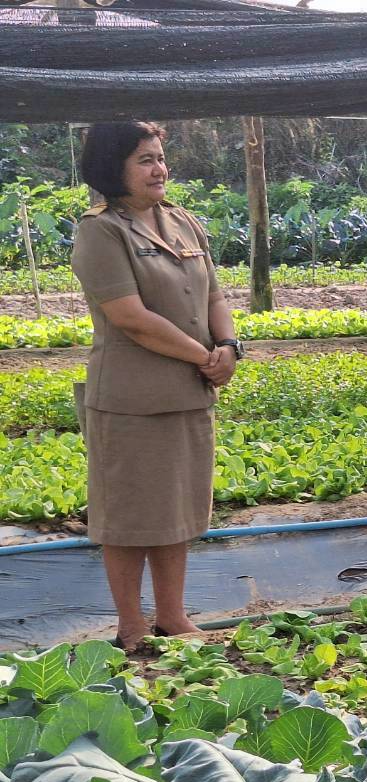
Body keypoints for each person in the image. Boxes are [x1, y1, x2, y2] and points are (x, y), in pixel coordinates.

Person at [70, 121, 239, 651]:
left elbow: (214, 293)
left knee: (176, 509)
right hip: (131, 401)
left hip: (189, 391)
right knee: (128, 515)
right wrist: (204, 356)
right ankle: (132, 625)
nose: (159, 169)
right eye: (145, 159)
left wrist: (229, 346)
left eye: (161, 158)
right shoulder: (101, 231)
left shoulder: (182, 221)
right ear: (111, 167)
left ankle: (172, 615)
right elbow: (130, 317)